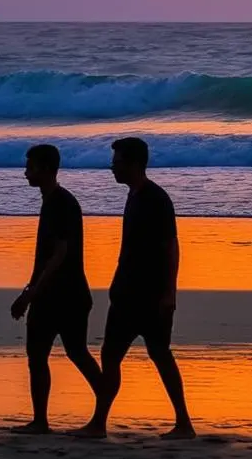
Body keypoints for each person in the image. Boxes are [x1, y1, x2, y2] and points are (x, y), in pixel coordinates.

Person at [75, 137, 195, 439]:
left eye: (117, 162)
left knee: (158, 354)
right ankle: (99, 421)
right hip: (127, 292)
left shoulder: (156, 198)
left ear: (133, 164)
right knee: (112, 356)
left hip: (150, 295)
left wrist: (170, 293)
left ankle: (183, 422)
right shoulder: (135, 195)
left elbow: (171, 246)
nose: (112, 167)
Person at [11, 144, 101, 433]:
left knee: (70, 354)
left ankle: (100, 411)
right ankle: (40, 420)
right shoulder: (52, 201)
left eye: (31, 167)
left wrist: (31, 293)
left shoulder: (61, 203)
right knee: (40, 355)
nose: (26, 172)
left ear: (47, 169)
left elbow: (59, 254)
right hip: (59, 293)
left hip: (64, 295)